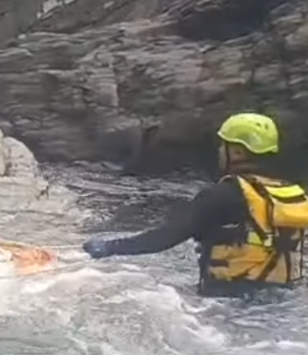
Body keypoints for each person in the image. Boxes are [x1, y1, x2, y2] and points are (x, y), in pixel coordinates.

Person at [82, 112, 308, 297]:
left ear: (238, 151)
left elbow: (167, 236)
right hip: (282, 300)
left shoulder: (223, 194)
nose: (219, 151)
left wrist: (110, 247)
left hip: (229, 303)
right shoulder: (292, 194)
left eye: (224, 145)